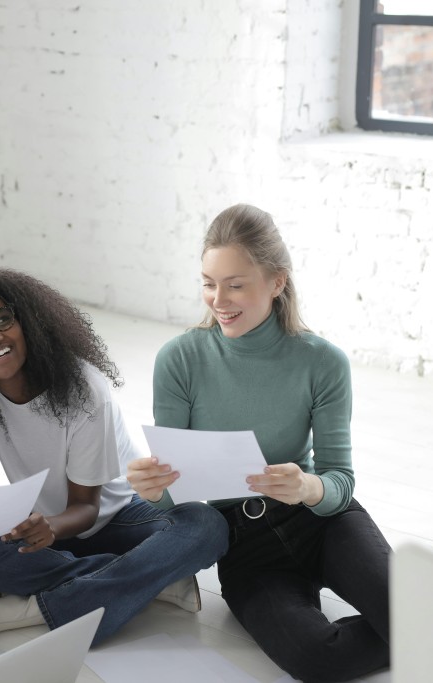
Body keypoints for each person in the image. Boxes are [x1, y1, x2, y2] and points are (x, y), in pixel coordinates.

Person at [127, 203, 391, 682]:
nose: (218, 299)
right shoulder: (179, 360)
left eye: (236, 283)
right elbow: (174, 493)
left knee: (414, 618)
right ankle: (419, 628)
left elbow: (340, 480)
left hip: (322, 521)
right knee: (320, 660)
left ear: (276, 282)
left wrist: (309, 487)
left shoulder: (324, 362)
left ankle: (422, 623)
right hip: (244, 546)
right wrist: (151, 489)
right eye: (208, 282)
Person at [0, 265, 229, 645]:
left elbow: (87, 509)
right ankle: (149, 582)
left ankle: (40, 608)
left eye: (2, 320)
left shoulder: (84, 389)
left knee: (206, 524)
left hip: (121, 514)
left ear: (26, 322)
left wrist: (51, 527)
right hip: (49, 528)